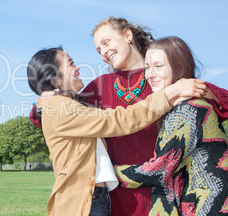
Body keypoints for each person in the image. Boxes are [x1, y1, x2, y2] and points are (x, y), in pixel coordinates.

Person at [27, 47, 206, 216]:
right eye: (70, 63)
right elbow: (117, 120)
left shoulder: (72, 104)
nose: (78, 67)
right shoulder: (57, 106)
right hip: (83, 201)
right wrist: (169, 94)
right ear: (54, 80)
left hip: (96, 197)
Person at [29, 16, 159, 215]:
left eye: (106, 43)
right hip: (115, 197)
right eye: (99, 50)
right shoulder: (98, 87)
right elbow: (64, 115)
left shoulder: (162, 75)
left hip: (158, 189)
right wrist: (40, 104)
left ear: (128, 35)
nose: (104, 52)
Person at [113, 36, 228, 215]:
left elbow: (158, 170)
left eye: (158, 66)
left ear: (179, 67)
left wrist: (107, 173)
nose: (150, 74)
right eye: (147, 67)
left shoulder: (188, 110)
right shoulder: (187, 106)